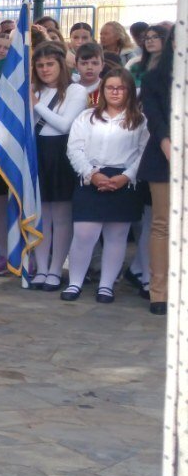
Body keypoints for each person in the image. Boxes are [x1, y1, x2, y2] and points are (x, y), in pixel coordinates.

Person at [63, 67, 148, 303]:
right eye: (110, 87)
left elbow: (143, 153)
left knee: (117, 235)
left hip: (124, 181)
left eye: (121, 88)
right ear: (102, 90)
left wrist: (126, 176)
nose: (115, 92)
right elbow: (74, 148)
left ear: (130, 91)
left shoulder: (140, 121)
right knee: (84, 233)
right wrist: (91, 174)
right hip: (91, 176)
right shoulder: (87, 117)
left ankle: (106, 285)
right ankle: (75, 282)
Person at [29, 41, 88, 291]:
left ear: (61, 64)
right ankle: (41, 268)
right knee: (40, 215)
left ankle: (55, 269)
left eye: (50, 64)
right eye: (40, 65)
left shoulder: (76, 90)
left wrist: (36, 104)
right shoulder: (33, 89)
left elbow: (64, 125)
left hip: (62, 152)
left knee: (62, 216)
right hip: (37, 151)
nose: (45, 69)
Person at [139, 25, 173, 315]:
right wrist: (168, 146)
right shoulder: (154, 78)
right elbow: (154, 117)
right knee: (162, 224)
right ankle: (159, 292)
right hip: (164, 156)